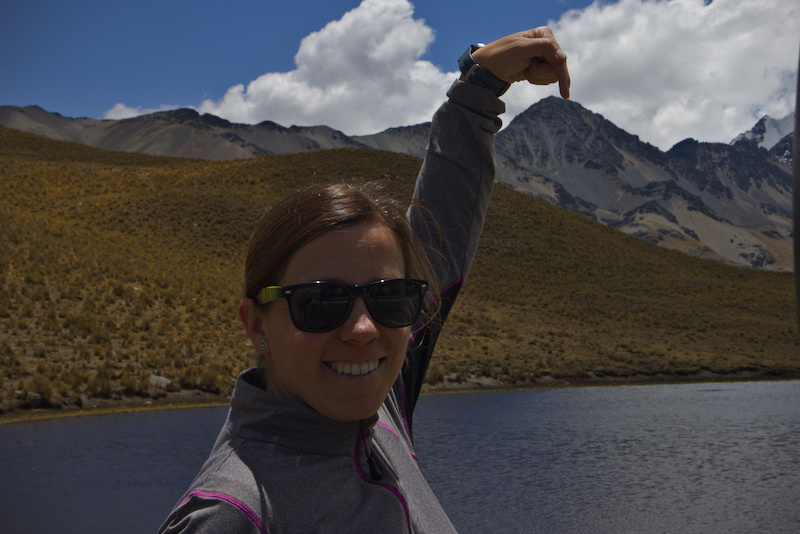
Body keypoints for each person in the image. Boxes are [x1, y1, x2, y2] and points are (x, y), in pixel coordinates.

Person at [159, 26, 570, 533]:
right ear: (257, 324)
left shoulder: (376, 407)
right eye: (321, 302)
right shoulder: (234, 515)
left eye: (390, 297)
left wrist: (479, 87)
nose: (362, 329)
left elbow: (443, 226)